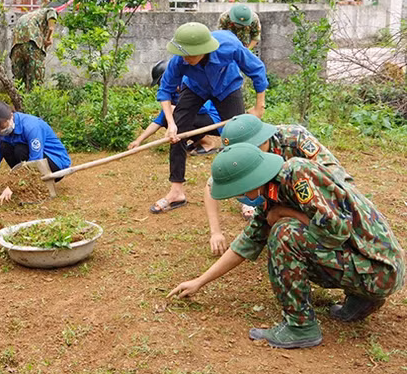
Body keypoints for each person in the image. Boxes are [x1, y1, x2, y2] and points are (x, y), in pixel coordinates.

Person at [169, 143, 404, 349]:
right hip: (371, 266)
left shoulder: (297, 175)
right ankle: (362, 299)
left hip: (379, 269)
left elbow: (337, 231)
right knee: (284, 228)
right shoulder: (272, 191)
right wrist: (199, 281)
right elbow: (246, 244)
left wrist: (285, 213)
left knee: (285, 234)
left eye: (238, 190)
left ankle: (300, 327)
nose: (238, 196)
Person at [150, 22, 267, 214]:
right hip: (195, 87)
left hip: (227, 87)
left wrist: (259, 106)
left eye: (190, 55)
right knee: (178, 132)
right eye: (183, 55)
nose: (185, 59)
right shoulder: (180, 60)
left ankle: (248, 194)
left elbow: (257, 70)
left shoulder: (229, 46)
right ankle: (176, 192)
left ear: (204, 49)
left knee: (239, 137)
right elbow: (165, 91)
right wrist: (171, 124)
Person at [204, 114, 354, 255]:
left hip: (312, 195)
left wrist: (347, 211)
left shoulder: (295, 137)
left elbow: (333, 174)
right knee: (270, 217)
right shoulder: (238, 157)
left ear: (263, 141)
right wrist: (216, 233)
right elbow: (212, 186)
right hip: (278, 192)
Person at [0, 101, 70, 204]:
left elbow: (36, 160)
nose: (1, 130)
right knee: (4, 147)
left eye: (3, 127)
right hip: (37, 164)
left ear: (11, 116)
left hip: (56, 165)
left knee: (20, 149)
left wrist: (12, 186)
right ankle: (25, 184)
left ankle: (31, 185)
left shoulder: (31, 126)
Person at [128, 60, 222, 154]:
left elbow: (203, 110)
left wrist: (174, 109)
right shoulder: (173, 94)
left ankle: (208, 144)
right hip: (201, 120)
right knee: (168, 118)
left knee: (177, 115)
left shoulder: (191, 85)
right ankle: (199, 142)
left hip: (217, 122)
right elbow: (158, 121)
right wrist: (138, 140)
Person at [10, 7, 57, 91]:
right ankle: (33, 99)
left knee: (19, 81)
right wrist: (49, 39)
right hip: (32, 43)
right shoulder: (51, 10)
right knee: (36, 81)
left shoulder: (28, 16)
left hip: (16, 46)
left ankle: (19, 99)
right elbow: (51, 28)